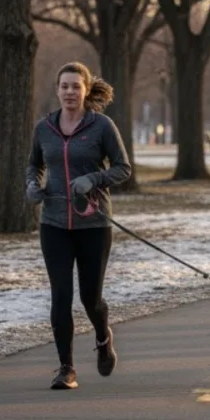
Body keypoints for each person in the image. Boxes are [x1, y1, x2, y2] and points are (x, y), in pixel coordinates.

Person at [26, 61, 132, 390]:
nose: (70, 92)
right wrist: (32, 185)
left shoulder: (101, 126)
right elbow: (34, 165)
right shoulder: (44, 128)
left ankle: (103, 337)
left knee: (90, 298)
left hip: (94, 224)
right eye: (65, 86)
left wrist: (93, 179)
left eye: (76, 86)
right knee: (60, 296)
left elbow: (123, 168)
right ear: (57, 90)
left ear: (86, 90)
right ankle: (66, 368)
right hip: (54, 224)